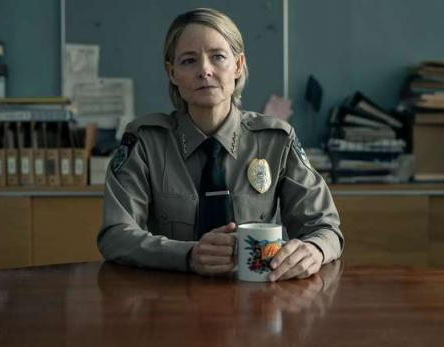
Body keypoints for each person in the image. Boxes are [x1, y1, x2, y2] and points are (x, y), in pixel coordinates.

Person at [98, 8, 343, 282]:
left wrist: (315, 250)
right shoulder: (145, 142)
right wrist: (187, 256)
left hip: (261, 303)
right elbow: (115, 235)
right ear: (172, 73)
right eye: (189, 61)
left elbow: (325, 227)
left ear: (238, 65)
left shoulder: (276, 140)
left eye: (218, 57)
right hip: (170, 303)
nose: (205, 70)